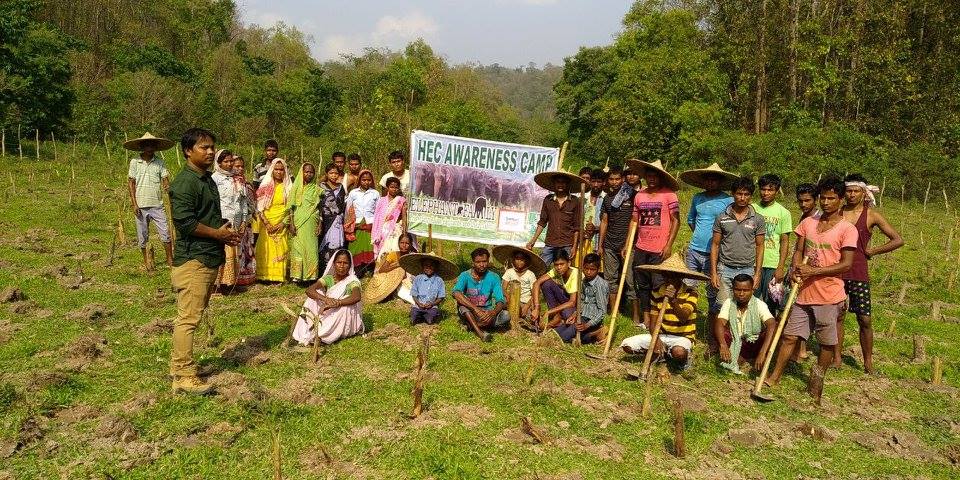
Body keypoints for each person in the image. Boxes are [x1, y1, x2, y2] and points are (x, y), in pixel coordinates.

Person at [766, 176, 858, 404]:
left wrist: (813, 272)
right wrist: (796, 267)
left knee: (826, 342)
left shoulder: (847, 229)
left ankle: (818, 377)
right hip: (803, 292)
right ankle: (774, 376)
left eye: (831, 198)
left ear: (840, 200)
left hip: (828, 295)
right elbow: (798, 250)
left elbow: (846, 264)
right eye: (823, 198)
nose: (826, 203)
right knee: (789, 336)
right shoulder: (808, 224)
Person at [168, 127, 240, 394]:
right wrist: (218, 234)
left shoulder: (206, 180)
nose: (210, 152)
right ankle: (183, 374)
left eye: (212, 147)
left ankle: (183, 367)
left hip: (208, 255)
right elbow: (185, 223)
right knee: (188, 318)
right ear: (188, 151)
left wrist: (222, 229)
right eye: (204, 148)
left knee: (193, 315)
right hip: (194, 258)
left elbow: (204, 215)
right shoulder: (184, 183)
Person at [836, 173, 903, 373]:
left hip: (858, 272)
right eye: (848, 191)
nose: (852, 195)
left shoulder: (871, 215)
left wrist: (873, 251)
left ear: (864, 193)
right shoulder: (837, 213)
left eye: (856, 191)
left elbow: (897, 239)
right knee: (838, 315)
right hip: (837, 271)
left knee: (864, 319)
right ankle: (837, 358)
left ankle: (868, 361)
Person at [680, 162, 736, 339]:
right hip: (694, 250)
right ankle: (684, 324)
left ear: (720, 182)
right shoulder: (698, 198)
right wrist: (700, 234)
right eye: (708, 180)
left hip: (715, 254)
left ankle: (712, 331)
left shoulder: (728, 200)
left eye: (714, 180)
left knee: (713, 290)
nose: (711, 183)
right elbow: (691, 220)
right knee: (688, 287)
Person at [620, 253, 704, 372]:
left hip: (683, 337)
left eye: (673, 276)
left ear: (680, 277)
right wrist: (656, 339)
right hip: (662, 335)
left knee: (679, 352)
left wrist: (673, 300)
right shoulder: (657, 292)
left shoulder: (690, 292)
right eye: (666, 276)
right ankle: (662, 353)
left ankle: (681, 359)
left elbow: (684, 317)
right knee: (627, 345)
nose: (669, 280)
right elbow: (653, 322)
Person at [709, 176, 765, 351]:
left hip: (747, 269)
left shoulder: (757, 219)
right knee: (721, 307)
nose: (742, 197)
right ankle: (717, 342)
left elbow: (760, 246)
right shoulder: (722, 217)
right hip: (725, 268)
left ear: (751, 196)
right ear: (733, 194)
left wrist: (757, 273)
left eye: (746, 194)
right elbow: (716, 244)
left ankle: (741, 344)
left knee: (745, 308)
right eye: (739, 194)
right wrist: (714, 271)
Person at [629, 159, 680, 327]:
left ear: (660, 178)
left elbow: (676, 221)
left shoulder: (669, 195)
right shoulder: (639, 195)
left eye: (654, 177)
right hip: (641, 247)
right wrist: (628, 243)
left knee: (659, 284)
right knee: (642, 283)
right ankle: (646, 319)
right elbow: (634, 220)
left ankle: (659, 318)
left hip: (659, 248)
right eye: (648, 176)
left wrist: (668, 245)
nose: (651, 179)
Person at [290, 249, 363, 346]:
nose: (341, 266)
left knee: (345, 306)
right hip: (327, 310)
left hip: (342, 315)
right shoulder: (329, 279)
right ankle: (306, 329)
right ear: (333, 264)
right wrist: (326, 300)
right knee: (314, 297)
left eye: (345, 263)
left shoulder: (352, 281)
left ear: (350, 265)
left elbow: (356, 296)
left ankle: (321, 335)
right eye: (339, 262)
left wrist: (337, 303)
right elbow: (309, 290)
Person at [125, 132, 175, 271]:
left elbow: (165, 178)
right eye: (147, 144)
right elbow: (131, 183)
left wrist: (167, 186)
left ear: (155, 147)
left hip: (157, 204)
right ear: (142, 146)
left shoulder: (159, 162)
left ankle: (169, 259)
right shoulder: (135, 162)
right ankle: (147, 261)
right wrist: (134, 203)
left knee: (165, 233)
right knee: (143, 235)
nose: (150, 147)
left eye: (152, 144)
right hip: (140, 205)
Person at [715, 274, 776, 374]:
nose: (741, 294)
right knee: (721, 328)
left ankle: (757, 356)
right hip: (736, 340)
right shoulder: (729, 302)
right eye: (738, 290)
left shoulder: (759, 304)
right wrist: (723, 345)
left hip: (754, 341)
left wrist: (762, 352)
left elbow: (771, 324)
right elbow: (720, 322)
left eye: (746, 290)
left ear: (752, 290)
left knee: (772, 330)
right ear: (733, 290)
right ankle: (738, 356)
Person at [598, 167, 637, 314]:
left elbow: (635, 221)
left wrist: (627, 244)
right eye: (611, 179)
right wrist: (600, 245)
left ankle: (635, 315)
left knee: (630, 280)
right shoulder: (607, 198)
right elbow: (604, 222)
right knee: (610, 279)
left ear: (623, 179)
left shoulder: (633, 196)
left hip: (628, 245)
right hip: (609, 244)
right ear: (607, 181)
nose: (614, 182)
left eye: (617, 179)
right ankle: (614, 311)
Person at [753, 174, 793, 315]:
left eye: (770, 190)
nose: (766, 193)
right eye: (763, 189)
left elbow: (784, 241)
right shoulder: (752, 208)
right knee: (751, 299)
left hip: (772, 263)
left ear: (777, 191)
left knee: (771, 301)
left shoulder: (784, 213)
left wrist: (780, 267)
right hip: (752, 261)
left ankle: (768, 333)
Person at [452, 248, 510, 342]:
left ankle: (472, 325)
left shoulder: (494, 277)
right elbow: (456, 293)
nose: (482, 265)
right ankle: (480, 333)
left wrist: (493, 313)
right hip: (470, 310)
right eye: (478, 262)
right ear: (473, 263)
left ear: (488, 261)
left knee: (506, 315)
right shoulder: (465, 275)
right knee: (463, 306)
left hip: (487, 312)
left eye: (484, 261)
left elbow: (500, 300)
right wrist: (476, 309)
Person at [526, 171, 584, 265]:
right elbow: (542, 222)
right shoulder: (548, 200)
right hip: (550, 242)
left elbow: (577, 226)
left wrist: (574, 246)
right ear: (554, 184)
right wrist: (533, 241)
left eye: (563, 182)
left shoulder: (575, 201)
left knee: (566, 271)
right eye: (558, 182)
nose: (560, 185)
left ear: (568, 184)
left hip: (567, 243)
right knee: (542, 267)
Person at [211, 149, 249, 290]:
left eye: (231, 161)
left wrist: (244, 219)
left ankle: (231, 282)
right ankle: (218, 284)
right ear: (219, 163)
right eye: (225, 161)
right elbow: (213, 201)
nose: (229, 164)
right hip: (223, 220)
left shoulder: (237, 178)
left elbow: (242, 200)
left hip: (238, 219)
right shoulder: (215, 179)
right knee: (223, 252)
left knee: (235, 251)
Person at [792, 182, 819, 360]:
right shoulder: (804, 217)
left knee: (809, 309)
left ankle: (802, 347)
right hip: (800, 266)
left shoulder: (819, 218)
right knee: (799, 305)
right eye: (800, 201)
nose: (803, 204)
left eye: (807, 201)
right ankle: (798, 348)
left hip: (814, 268)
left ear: (815, 200)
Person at [254, 158, 291, 282]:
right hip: (266, 221)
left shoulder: (288, 187)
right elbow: (259, 207)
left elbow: (291, 208)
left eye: (281, 169)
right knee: (264, 247)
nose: (279, 172)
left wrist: (283, 223)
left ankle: (278, 276)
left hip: (282, 220)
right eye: (276, 169)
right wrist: (267, 223)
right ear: (272, 170)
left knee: (281, 247)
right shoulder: (265, 186)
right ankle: (263, 275)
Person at [496, 245, 547, 328]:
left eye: (522, 259)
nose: (519, 261)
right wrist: (507, 296)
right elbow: (503, 288)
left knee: (532, 319)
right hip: (511, 299)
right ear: (513, 259)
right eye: (517, 259)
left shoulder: (530, 274)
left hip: (525, 302)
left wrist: (526, 307)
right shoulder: (509, 272)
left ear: (526, 261)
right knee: (501, 304)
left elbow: (534, 294)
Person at [401, 252, 458, 326]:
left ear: (436, 267)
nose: (429, 268)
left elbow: (441, 297)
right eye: (426, 265)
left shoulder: (439, 280)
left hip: (432, 306)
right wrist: (418, 303)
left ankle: (427, 316)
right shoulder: (418, 278)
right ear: (422, 266)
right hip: (419, 305)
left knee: (431, 319)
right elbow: (414, 294)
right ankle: (419, 316)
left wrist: (432, 304)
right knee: (414, 315)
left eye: (431, 266)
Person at [288, 162, 321, 283]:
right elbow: (291, 208)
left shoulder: (317, 190)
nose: (309, 174)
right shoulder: (295, 189)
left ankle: (311, 275)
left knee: (311, 249)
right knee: (297, 248)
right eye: (306, 172)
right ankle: (297, 275)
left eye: (311, 172)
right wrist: (291, 223)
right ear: (302, 173)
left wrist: (320, 224)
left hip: (312, 223)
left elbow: (320, 208)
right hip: (298, 223)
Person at [345, 169, 380, 276]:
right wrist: (349, 225)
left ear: (372, 181)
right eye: (363, 180)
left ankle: (369, 269)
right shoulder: (353, 193)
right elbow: (348, 209)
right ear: (359, 180)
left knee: (370, 247)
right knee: (355, 247)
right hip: (357, 224)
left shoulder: (375, 193)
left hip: (370, 224)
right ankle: (357, 270)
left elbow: (378, 211)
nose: (366, 182)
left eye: (368, 180)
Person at [318, 164, 346, 271]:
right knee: (325, 245)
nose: (334, 176)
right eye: (331, 173)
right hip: (326, 220)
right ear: (326, 174)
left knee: (337, 244)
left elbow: (343, 204)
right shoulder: (322, 187)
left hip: (338, 221)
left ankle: (336, 270)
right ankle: (324, 270)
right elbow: (319, 205)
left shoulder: (341, 187)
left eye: (336, 173)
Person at [372, 177, 406, 260]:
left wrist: (405, 232)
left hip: (396, 229)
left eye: (396, 187)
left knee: (394, 250)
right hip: (382, 230)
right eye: (392, 187)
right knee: (383, 252)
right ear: (387, 188)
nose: (394, 189)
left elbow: (404, 217)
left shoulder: (401, 200)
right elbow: (377, 217)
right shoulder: (381, 200)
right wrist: (375, 233)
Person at [581, 169, 606, 259]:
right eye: (593, 181)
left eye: (598, 182)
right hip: (582, 240)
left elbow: (610, 222)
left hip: (599, 242)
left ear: (604, 183)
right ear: (590, 182)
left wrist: (596, 228)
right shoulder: (582, 197)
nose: (595, 184)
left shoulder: (607, 199)